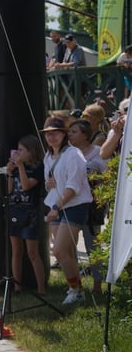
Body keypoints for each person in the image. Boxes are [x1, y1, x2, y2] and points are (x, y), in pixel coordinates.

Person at [40, 116, 92, 305]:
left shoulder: (73, 154)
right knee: (66, 252)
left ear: (64, 134)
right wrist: (48, 185)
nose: (52, 137)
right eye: (48, 134)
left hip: (74, 206)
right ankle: (76, 288)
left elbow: (73, 187)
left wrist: (55, 207)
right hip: (57, 205)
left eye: (56, 133)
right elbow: (51, 184)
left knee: (59, 250)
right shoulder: (48, 156)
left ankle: (75, 289)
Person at [67, 119, 107, 294]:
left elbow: (107, 177)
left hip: (92, 207)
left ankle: (98, 285)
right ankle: (76, 286)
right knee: (69, 246)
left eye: (74, 132)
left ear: (85, 135)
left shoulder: (97, 152)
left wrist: (96, 182)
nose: (70, 135)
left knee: (93, 246)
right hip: (73, 204)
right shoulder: (68, 153)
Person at [5, 135, 46, 295]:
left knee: (32, 252)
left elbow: (27, 186)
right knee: (16, 251)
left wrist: (20, 167)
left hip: (31, 212)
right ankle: (17, 286)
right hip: (14, 209)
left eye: (21, 150)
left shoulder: (38, 167)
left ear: (31, 151)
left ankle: (41, 288)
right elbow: (9, 190)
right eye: (18, 150)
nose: (18, 153)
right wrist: (9, 172)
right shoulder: (16, 167)